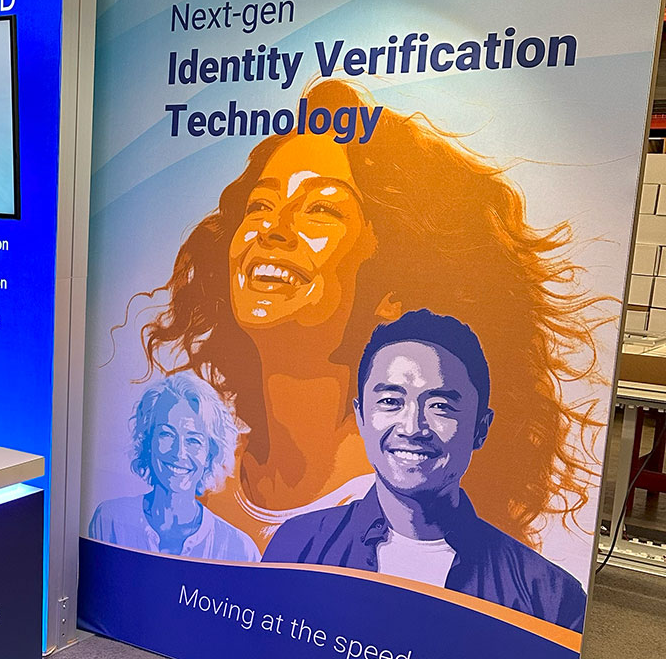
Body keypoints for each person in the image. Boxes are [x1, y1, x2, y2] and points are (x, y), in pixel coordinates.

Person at [137, 77, 607, 556]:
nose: (273, 229)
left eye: (320, 209)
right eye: (260, 205)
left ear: (392, 288)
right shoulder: (198, 476)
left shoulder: (419, 523)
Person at [265, 309, 587, 630]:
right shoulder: (298, 548)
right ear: (361, 417)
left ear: (481, 428)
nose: (412, 428)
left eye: (440, 406)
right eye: (391, 401)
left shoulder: (548, 600)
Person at [88, 373, 259, 560]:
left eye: (193, 440)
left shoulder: (240, 549)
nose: (179, 453)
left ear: (210, 454)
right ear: (148, 441)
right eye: (167, 434)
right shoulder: (110, 520)